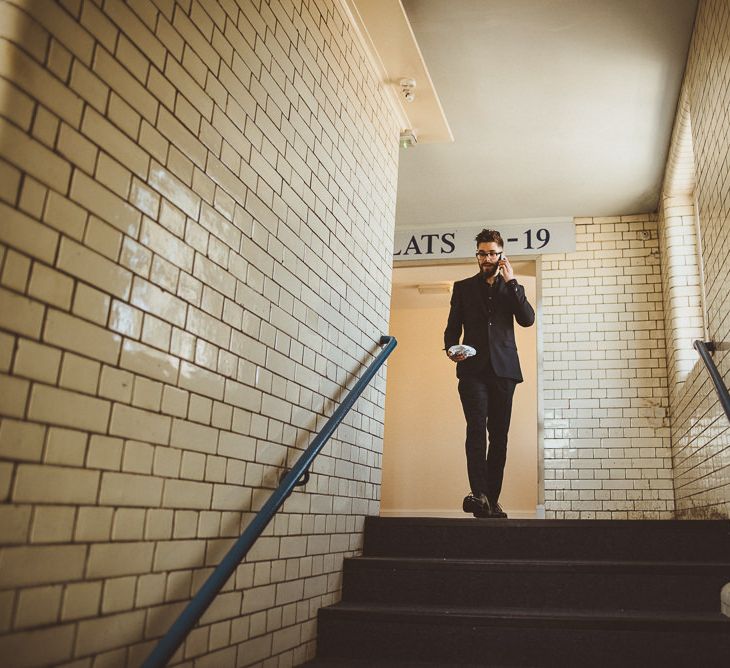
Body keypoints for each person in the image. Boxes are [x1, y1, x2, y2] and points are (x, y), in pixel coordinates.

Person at [444, 229, 535, 518]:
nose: (487, 258)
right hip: (472, 369)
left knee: (499, 436)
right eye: (482, 253)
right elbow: (451, 328)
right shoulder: (462, 287)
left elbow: (527, 319)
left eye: (492, 253)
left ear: (501, 255)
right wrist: (450, 349)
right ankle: (479, 494)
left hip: (504, 371)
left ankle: (491, 499)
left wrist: (513, 282)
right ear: (477, 255)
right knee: (475, 429)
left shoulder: (511, 289)